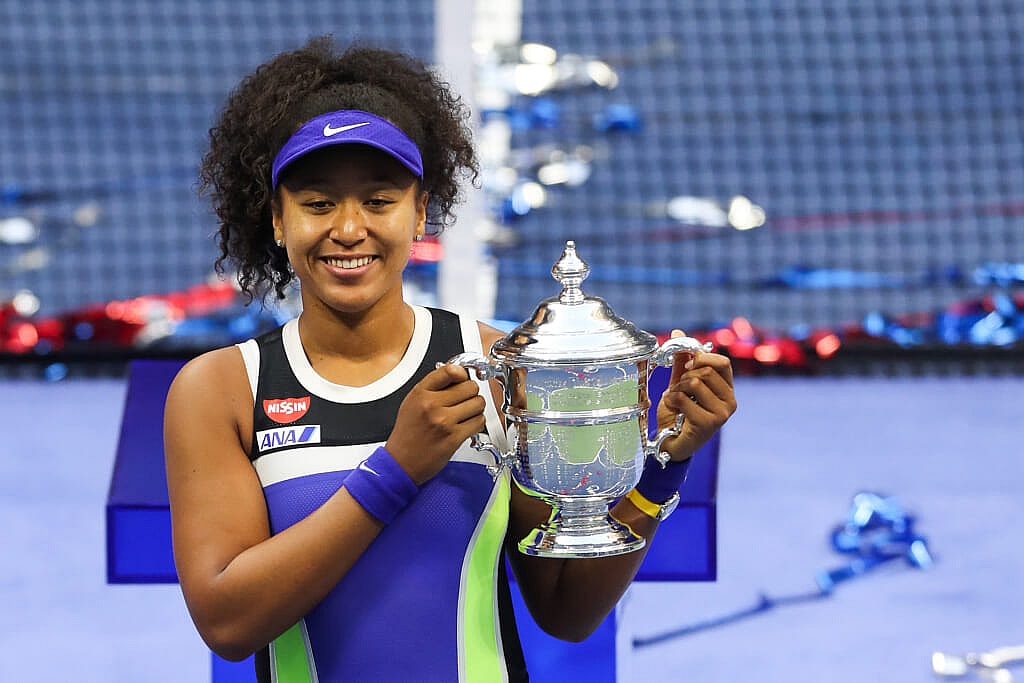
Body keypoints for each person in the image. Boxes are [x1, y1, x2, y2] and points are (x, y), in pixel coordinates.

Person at [164, 35, 737, 683]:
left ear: (420, 213)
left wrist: (663, 467)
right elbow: (228, 622)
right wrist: (396, 470)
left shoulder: (498, 366)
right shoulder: (223, 390)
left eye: (379, 200)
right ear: (277, 218)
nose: (348, 229)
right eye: (318, 203)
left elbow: (566, 608)